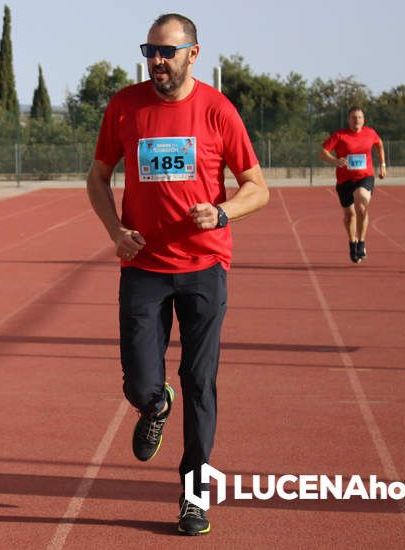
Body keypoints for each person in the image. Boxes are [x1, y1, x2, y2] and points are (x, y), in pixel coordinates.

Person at [86, 13, 268, 536]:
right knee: (142, 381)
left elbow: (257, 184)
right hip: (142, 264)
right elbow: (98, 176)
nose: (157, 61)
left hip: (204, 267)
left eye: (167, 51)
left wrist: (225, 211)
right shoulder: (125, 105)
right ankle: (155, 403)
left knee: (200, 381)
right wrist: (114, 230)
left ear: (194, 53)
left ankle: (193, 497)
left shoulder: (217, 110)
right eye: (150, 51)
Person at [319, 107, 387, 263]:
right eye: (354, 117)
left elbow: (379, 144)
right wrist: (335, 161)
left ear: (364, 119)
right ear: (348, 119)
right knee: (349, 216)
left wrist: (382, 164)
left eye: (360, 117)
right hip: (344, 181)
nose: (357, 120)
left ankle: (361, 242)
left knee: (361, 201)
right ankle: (352, 242)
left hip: (365, 177)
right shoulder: (340, 135)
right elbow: (323, 152)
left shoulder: (370, 133)